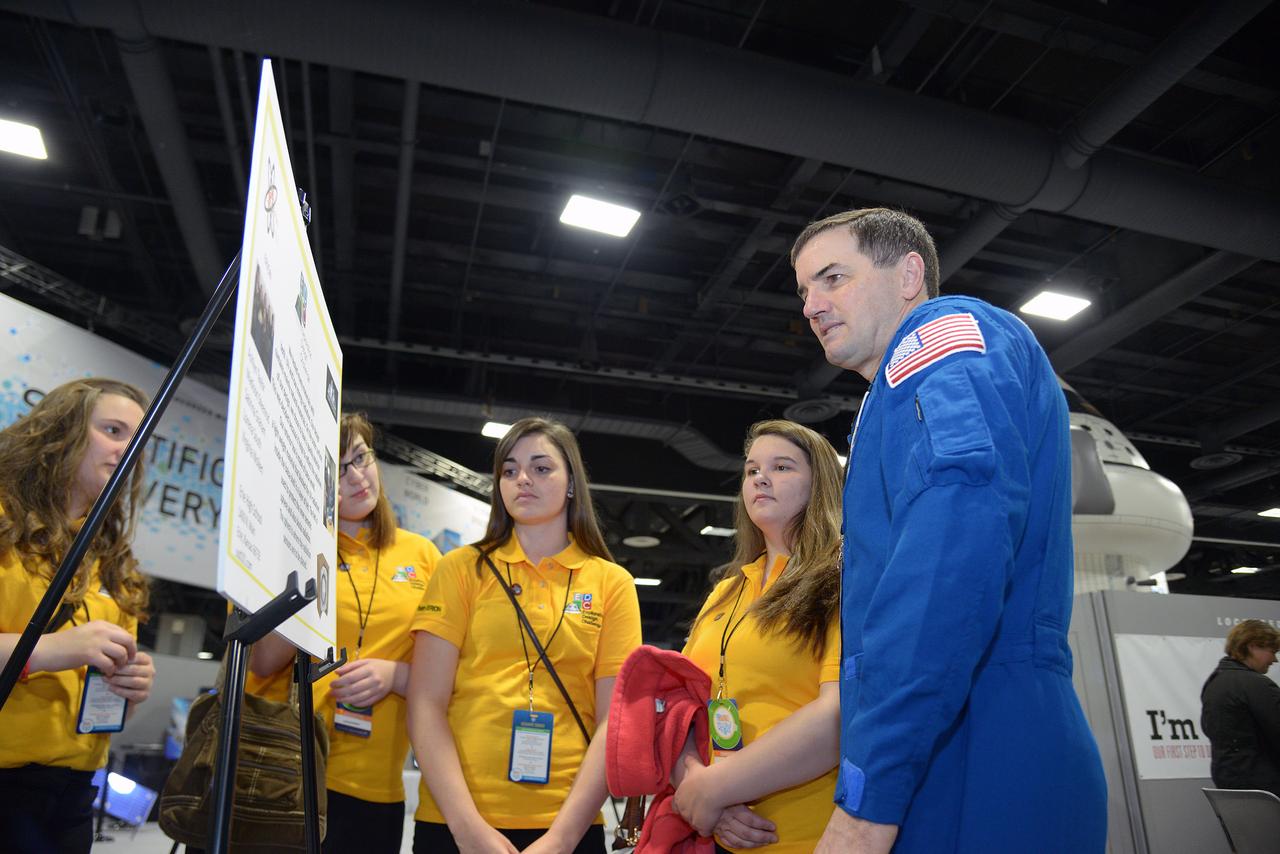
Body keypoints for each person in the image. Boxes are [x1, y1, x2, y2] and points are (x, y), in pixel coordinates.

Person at [791, 208, 1107, 854]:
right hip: (957, 738)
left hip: (978, 746)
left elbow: (949, 561)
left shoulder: (938, 340)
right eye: (803, 292)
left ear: (909, 274)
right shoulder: (895, 392)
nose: (812, 306)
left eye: (831, 278)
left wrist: (867, 802)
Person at [407, 417, 642, 854]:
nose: (522, 480)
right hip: (454, 823)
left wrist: (561, 839)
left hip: (567, 826)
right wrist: (467, 829)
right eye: (509, 470)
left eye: (541, 468)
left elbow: (614, 722)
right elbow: (426, 702)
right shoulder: (461, 569)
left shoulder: (611, 583)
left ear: (572, 483)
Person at [247, 412, 442, 854]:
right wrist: (309, 547)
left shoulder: (423, 556)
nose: (356, 477)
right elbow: (261, 661)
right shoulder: (283, 546)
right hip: (286, 773)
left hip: (377, 787)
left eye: (361, 458)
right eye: (335, 469)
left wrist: (396, 675)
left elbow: (448, 671)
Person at [670, 419, 844, 853]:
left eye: (782, 467)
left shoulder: (843, 577)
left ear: (819, 484)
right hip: (715, 833)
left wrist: (715, 789)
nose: (761, 478)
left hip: (805, 836)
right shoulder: (725, 592)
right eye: (751, 470)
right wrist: (702, 791)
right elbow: (678, 707)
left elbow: (840, 716)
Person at [0, 378, 156, 854]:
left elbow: (102, 690)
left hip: (76, 790)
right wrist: (50, 649)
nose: (125, 450)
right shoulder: (3, 521)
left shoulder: (112, 558)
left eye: (136, 439)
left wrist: (131, 687)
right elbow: (60, 652)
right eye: (112, 430)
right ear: (61, 432)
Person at [1201, 619, 1280, 796]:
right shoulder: (1258, 685)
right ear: (1252, 646)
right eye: (1272, 651)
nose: (1274, 659)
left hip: (1228, 784)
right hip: (1267, 787)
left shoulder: (1213, 684)